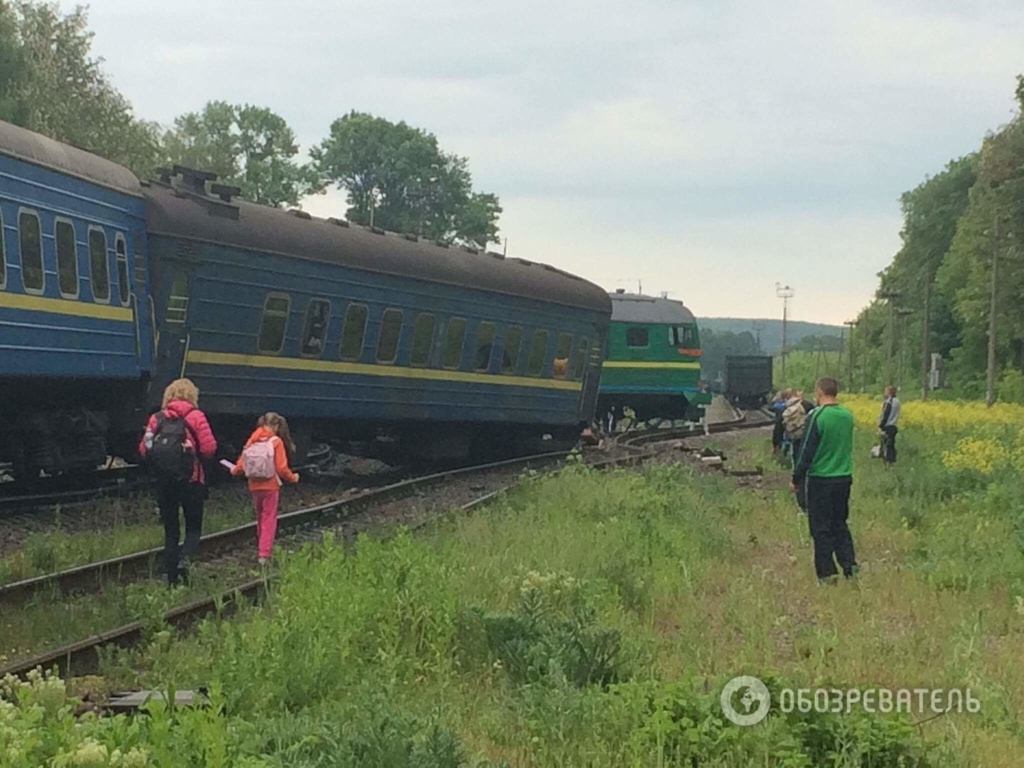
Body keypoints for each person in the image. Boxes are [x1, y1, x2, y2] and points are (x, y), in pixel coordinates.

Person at [139, 378, 217, 585]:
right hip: (192, 480)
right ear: (192, 396)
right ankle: (185, 559)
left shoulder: (156, 418)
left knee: (171, 530)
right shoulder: (196, 416)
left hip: (164, 482)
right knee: (193, 528)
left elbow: (144, 448)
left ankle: (171, 579)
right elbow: (209, 449)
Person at [790, 377, 857, 583]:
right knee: (839, 523)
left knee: (820, 528)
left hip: (821, 479)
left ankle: (827, 573)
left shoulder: (817, 415)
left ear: (819, 392)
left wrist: (796, 478)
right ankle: (850, 567)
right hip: (843, 477)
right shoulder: (847, 415)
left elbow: (806, 450)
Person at [231, 412, 299, 564]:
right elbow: (281, 468)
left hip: (254, 484)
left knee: (260, 517)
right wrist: (292, 477)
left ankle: (261, 547)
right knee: (269, 518)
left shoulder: (253, 439)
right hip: (270, 485)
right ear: (276, 426)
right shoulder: (276, 442)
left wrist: (234, 469)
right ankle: (264, 553)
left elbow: (241, 463)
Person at [782, 389, 816, 511]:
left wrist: (776, 444)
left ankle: (802, 505)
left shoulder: (786, 407)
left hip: (795, 442)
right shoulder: (806, 404)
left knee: (798, 469)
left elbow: (779, 426)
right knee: (810, 470)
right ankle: (811, 502)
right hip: (808, 439)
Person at [878, 385, 901, 464]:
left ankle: (887, 462)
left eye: (886, 391)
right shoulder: (897, 401)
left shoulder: (889, 402)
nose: (885, 393)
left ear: (889, 392)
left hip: (887, 426)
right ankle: (892, 461)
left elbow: (886, 414)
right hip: (894, 425)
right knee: (891, 444)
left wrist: (881, 425)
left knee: (886, 445)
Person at [770, 389, 792, 456]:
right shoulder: (787, 407)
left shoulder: (778, 406)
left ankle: (779, 447)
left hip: (781, 427)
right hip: (788, 429)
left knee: (779, 432)